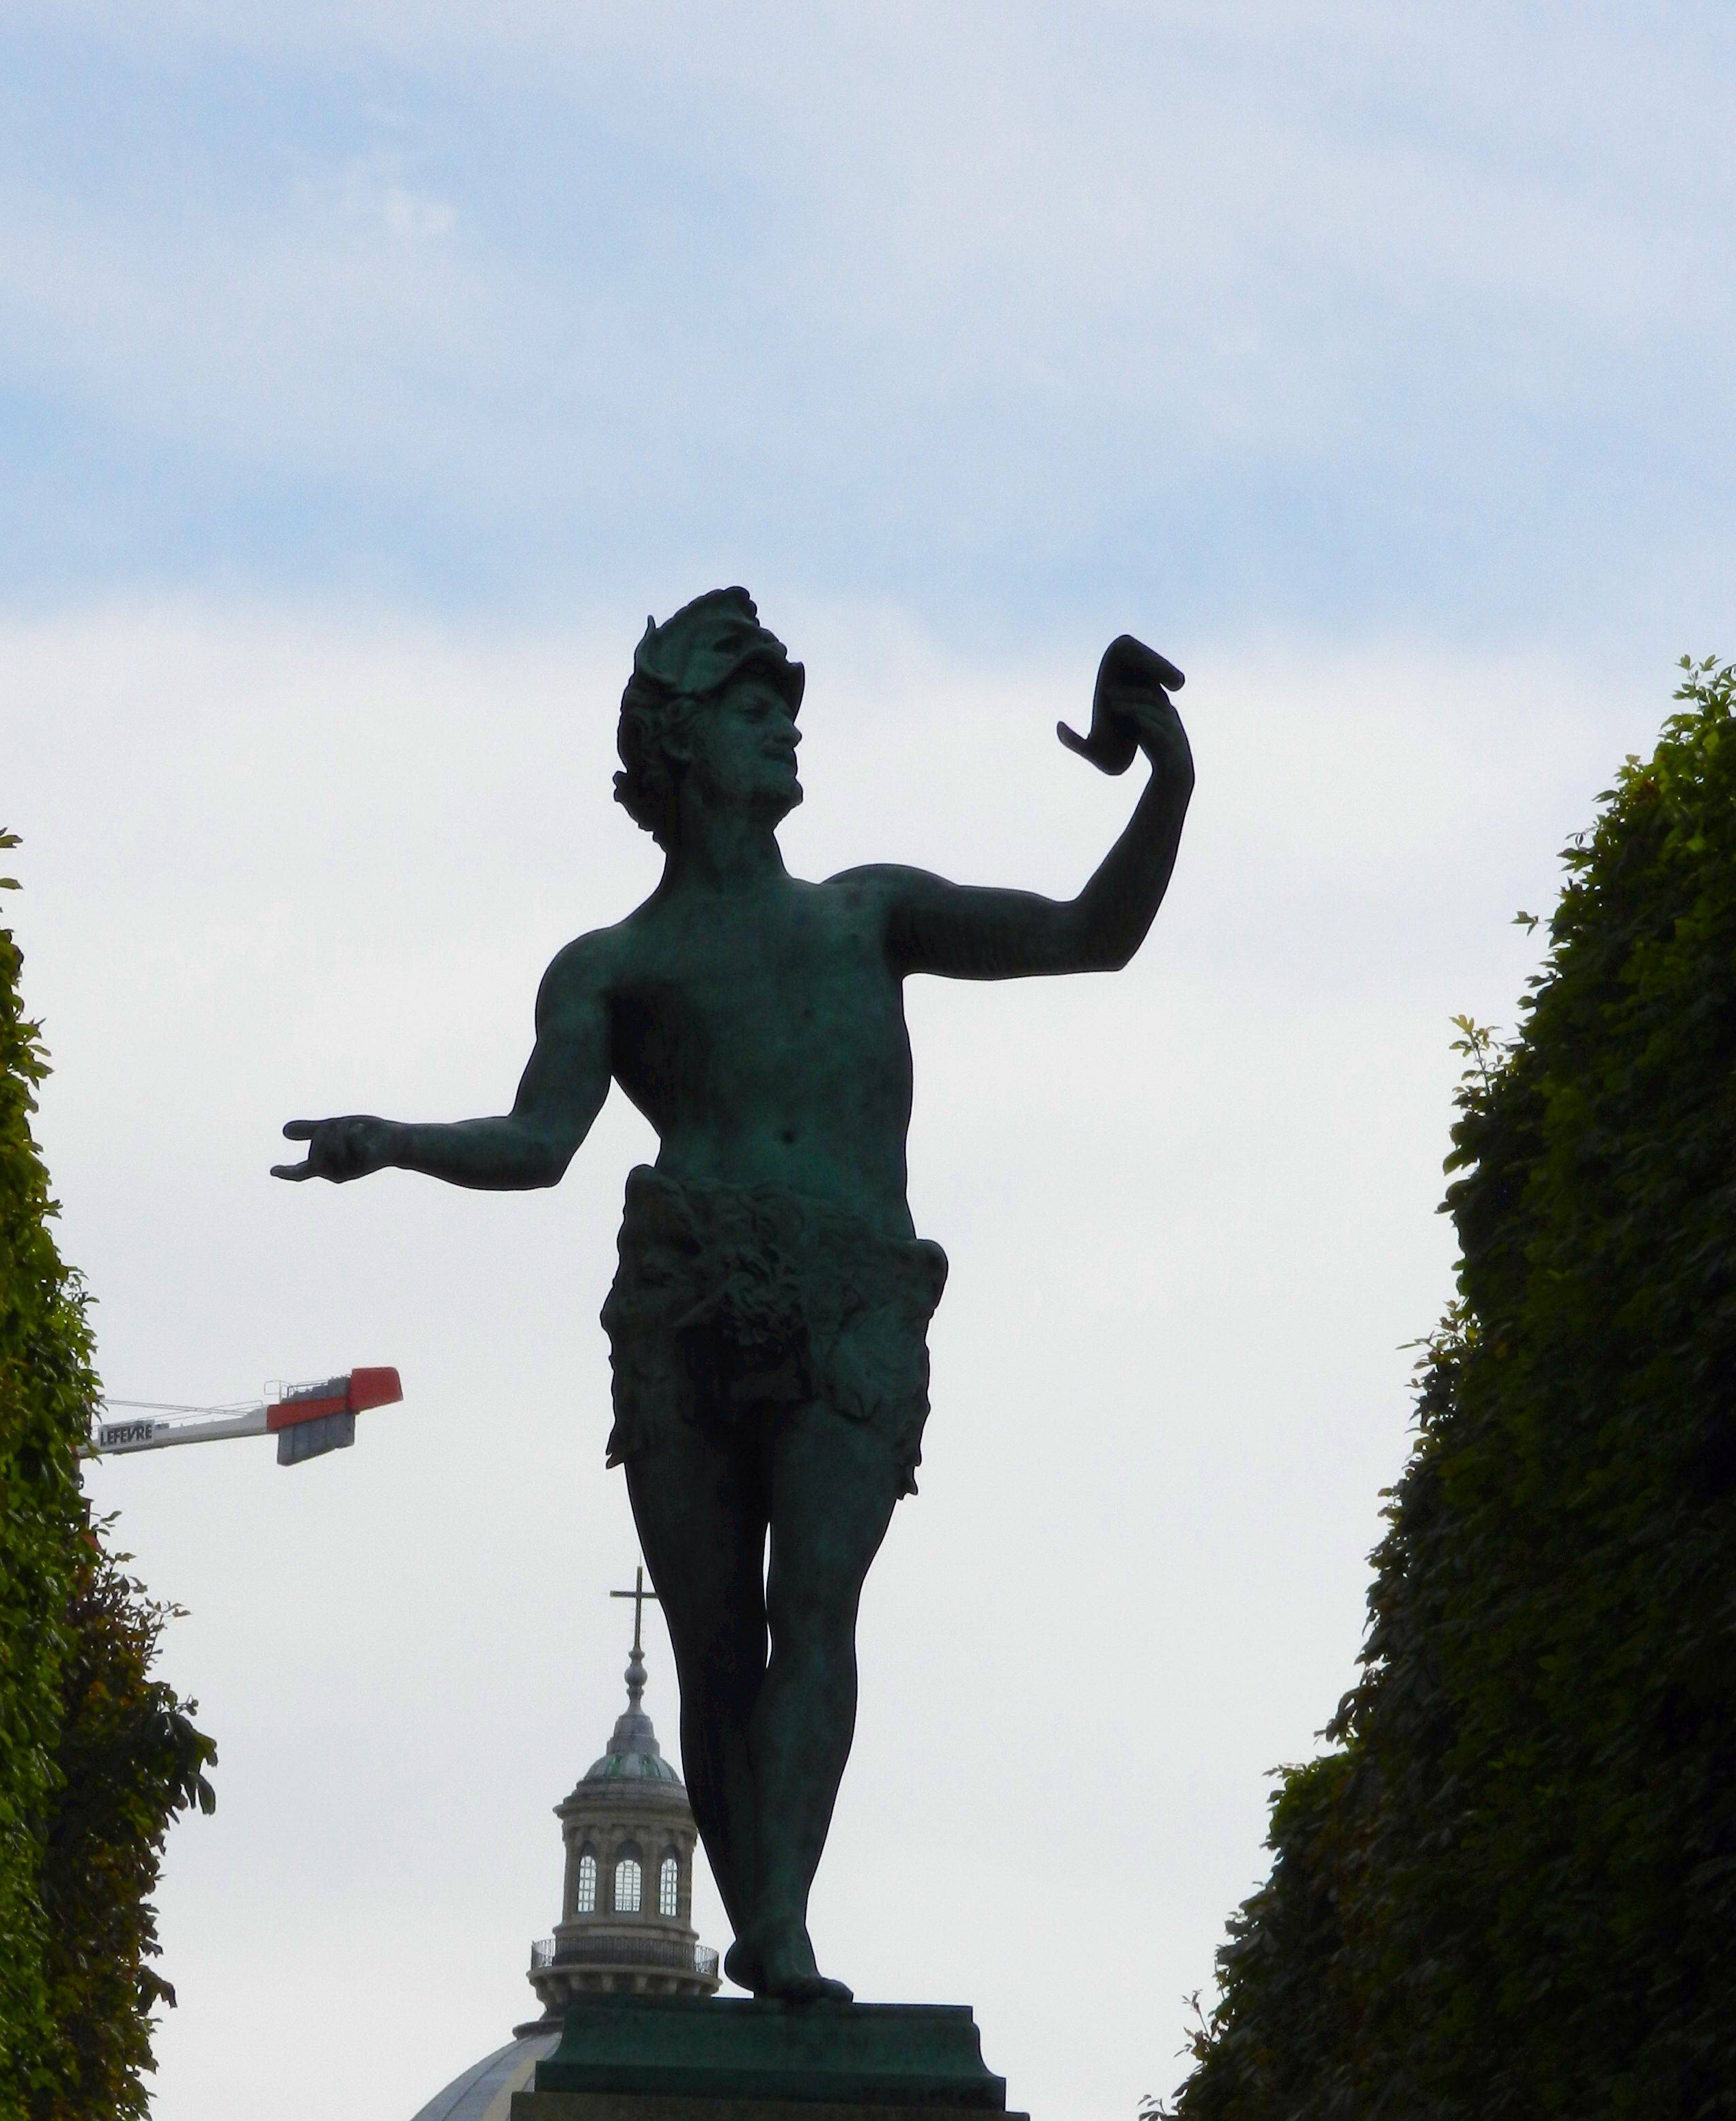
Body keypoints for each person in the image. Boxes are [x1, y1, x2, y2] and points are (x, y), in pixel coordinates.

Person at [274, 590, 1192, 2003]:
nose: (790, 728)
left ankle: (776, 1925)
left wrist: (1170, 776)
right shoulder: (611, 966)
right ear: (682, 740)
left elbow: (1092, 932)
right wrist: (391, 1139)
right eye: (759, 710)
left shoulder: (866, 913)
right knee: (714, 1639)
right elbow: (539, 1146)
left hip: (848, 1301)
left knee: (814, 1607)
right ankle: (768, 1914)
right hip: (687, 1299)